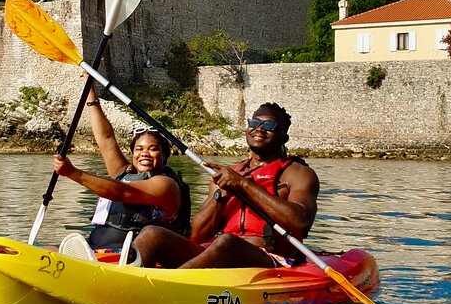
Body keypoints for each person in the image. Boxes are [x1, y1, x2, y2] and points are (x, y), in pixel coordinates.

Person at [133, 102, 319, 268]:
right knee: (151, 234)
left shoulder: (299, 174)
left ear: (283, 137)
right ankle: (129, 284)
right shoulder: (227, 175)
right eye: (254, 123)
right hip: (218, 253)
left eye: (269, 125)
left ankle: (170, 286)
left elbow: (300, 223)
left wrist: (244, 185)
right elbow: (198, 235)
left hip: (271, 258)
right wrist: (219, 197)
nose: (259, 129)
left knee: (227, 242)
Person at [53, 72, 190, 251]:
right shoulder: (125, 172)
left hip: (127, 256)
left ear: (164, 155)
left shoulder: (166, 184)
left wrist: (73, 173)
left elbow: (120, 192)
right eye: (139, 149)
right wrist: (90, 92)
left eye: (153, 149)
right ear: (132, 154)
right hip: (94, 247)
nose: (145, 154)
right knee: (46, 251)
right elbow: (106, 139)